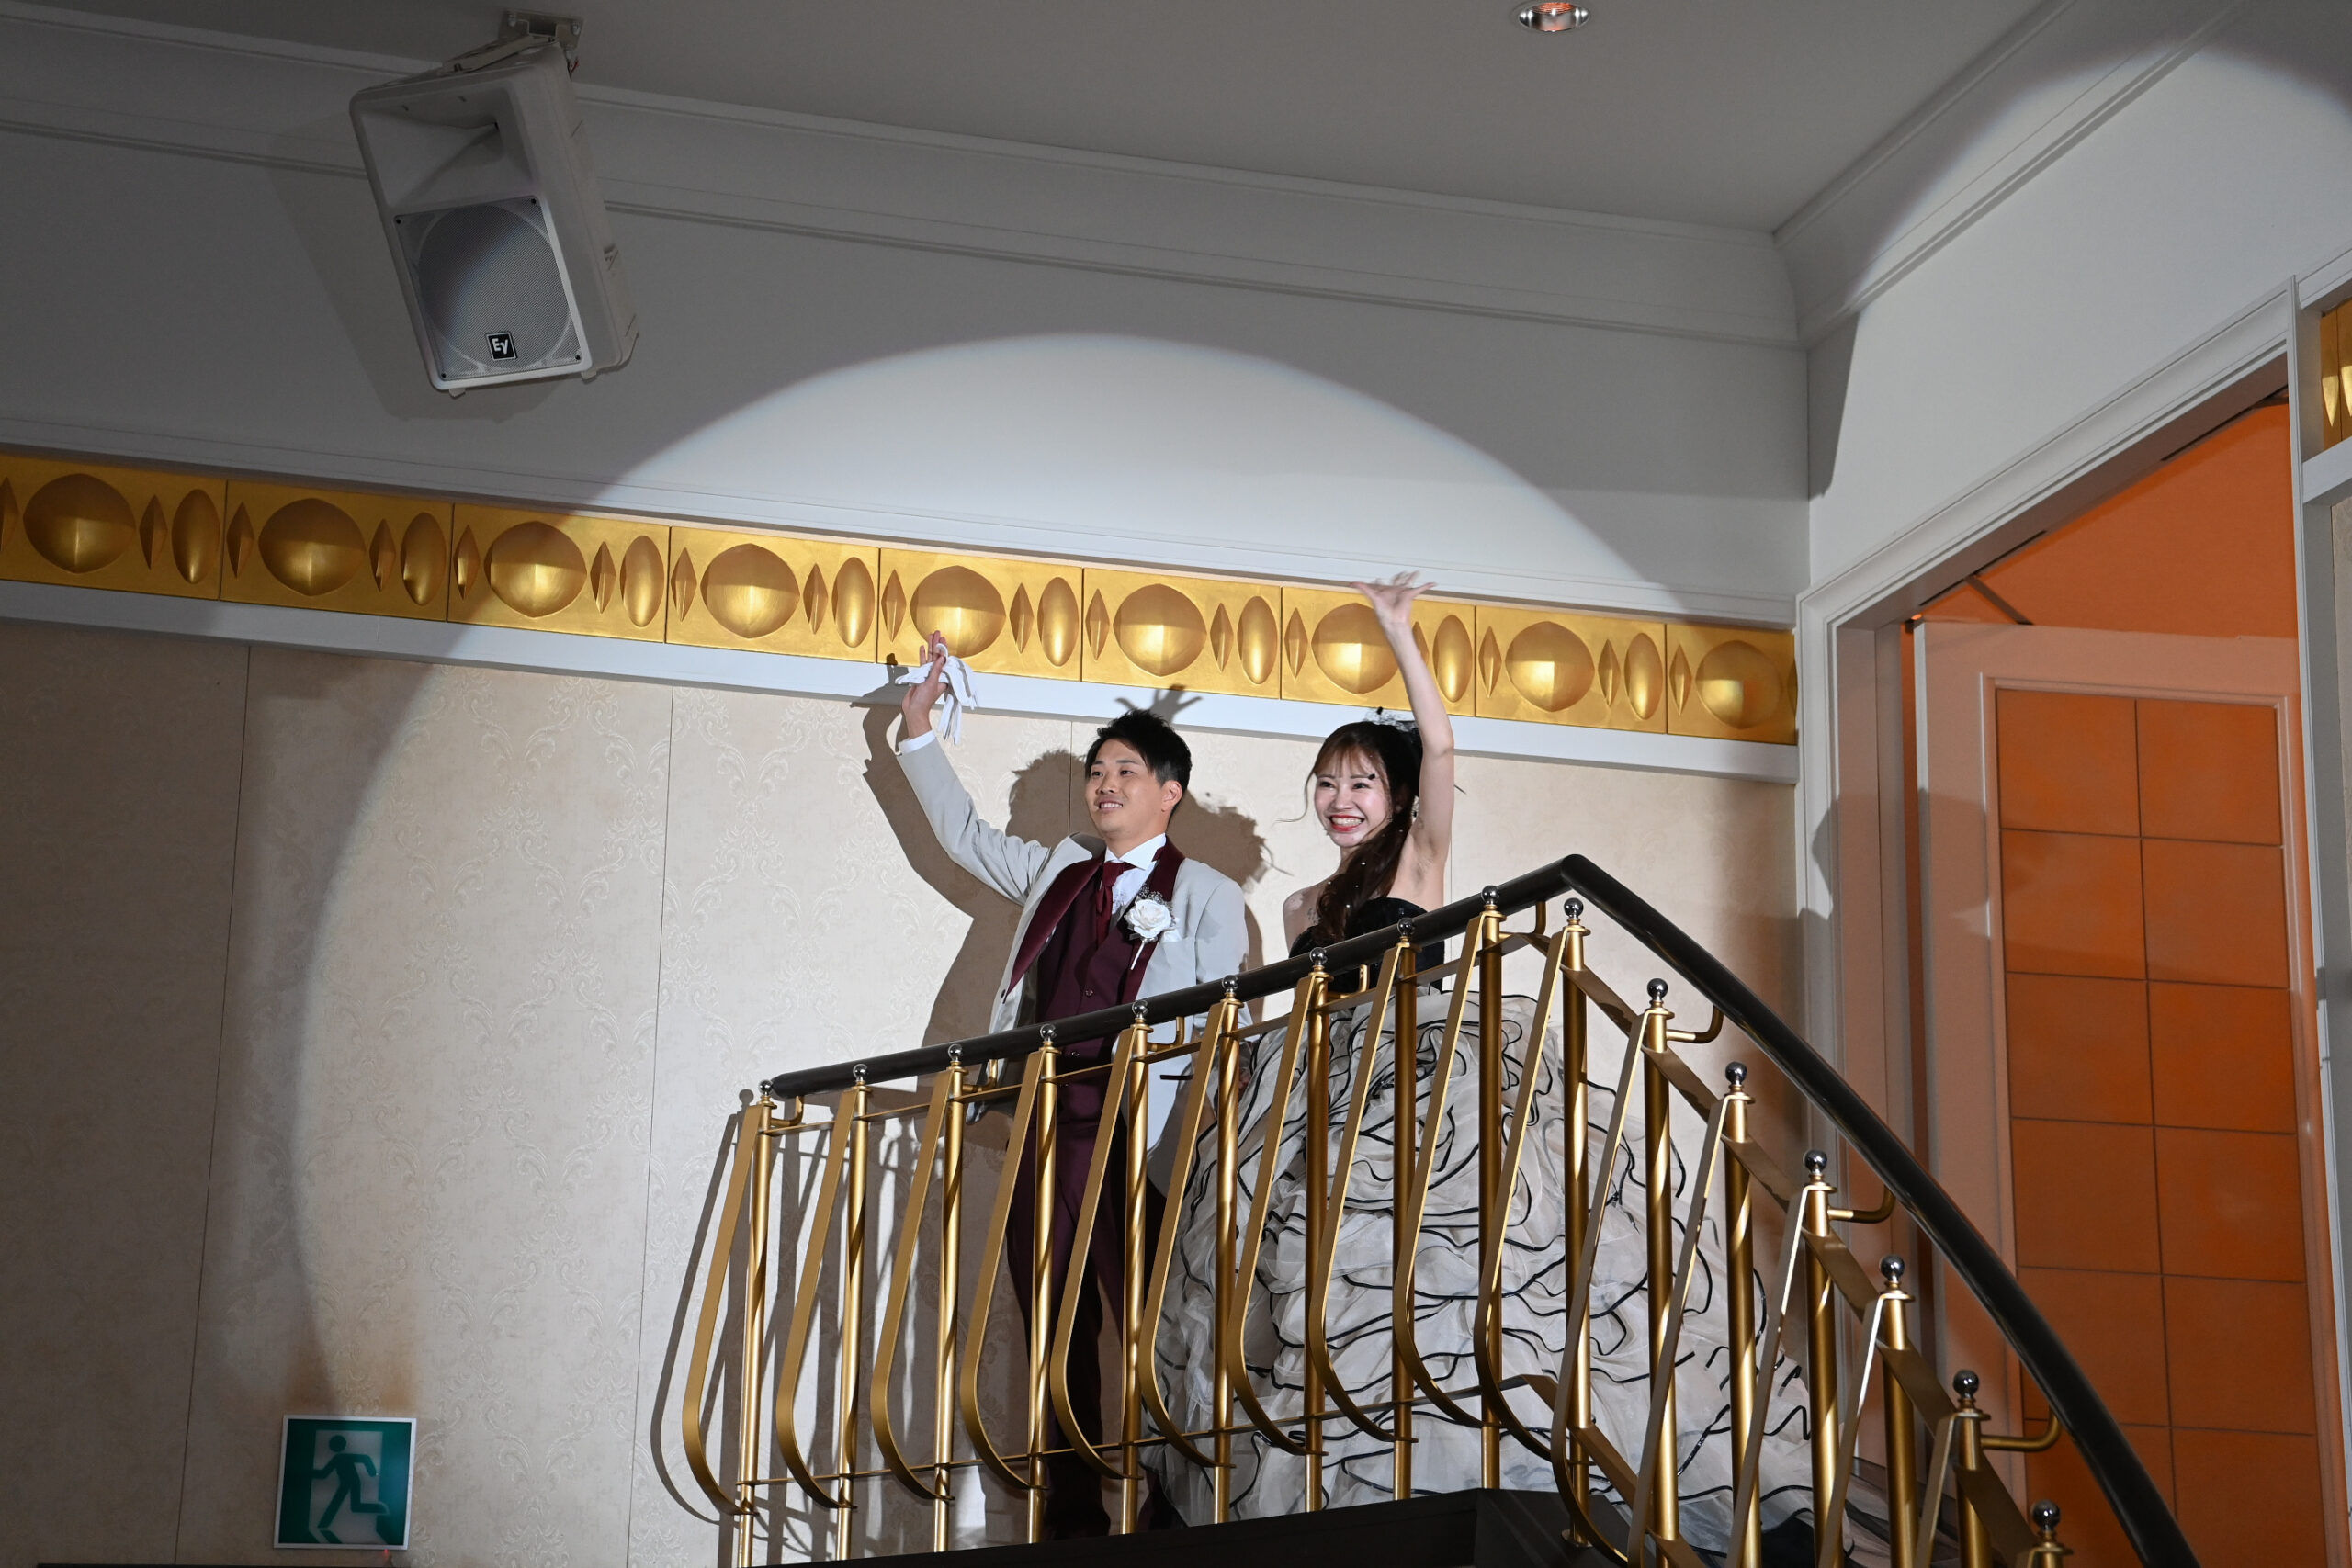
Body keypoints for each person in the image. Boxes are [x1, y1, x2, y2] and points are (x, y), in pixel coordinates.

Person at [1146, 580, 1821, 1555]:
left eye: (1361, 783)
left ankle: (1506, 1466)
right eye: (1328, 784)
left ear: (1397, 796)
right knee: (1324, 1283)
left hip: (1434, 1082)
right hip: (1331, 1089)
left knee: (1459, 1270)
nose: (1341, 801)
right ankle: (1352, 1483)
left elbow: (1443, 749)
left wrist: (1397, 633)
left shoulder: (1420, 860)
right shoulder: (1297, 908)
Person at [897, 631, 1248, 1537]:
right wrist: (917, 728)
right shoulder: (1060, 868)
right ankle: (1071, 1501)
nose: (1104, 784)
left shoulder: (1207, 892)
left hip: (1144, 1132)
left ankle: (1174, 1496)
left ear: (1169, 791)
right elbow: (965, 837)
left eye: (1125, 770)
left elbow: (1221, 1016)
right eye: (1097, 771)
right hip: (1048, 1126)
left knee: (1153, 1321)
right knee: (1051, 1312)